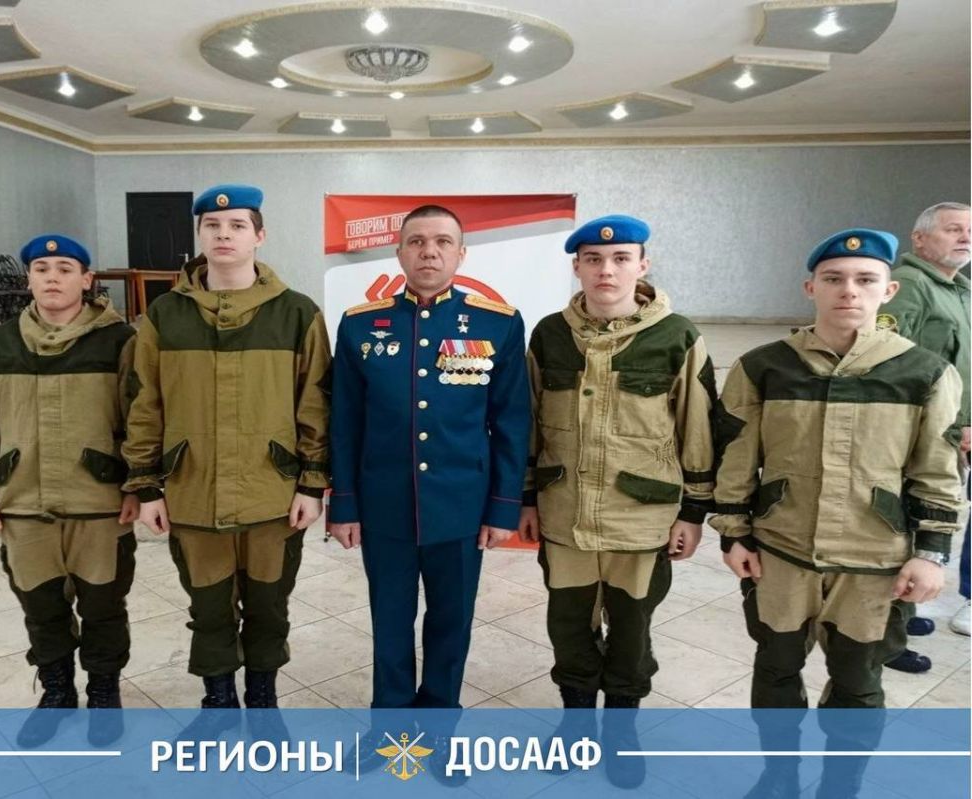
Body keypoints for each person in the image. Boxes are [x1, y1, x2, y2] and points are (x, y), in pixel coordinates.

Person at [711, 228, 964, 798]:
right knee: (775, 671)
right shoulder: (764, 367)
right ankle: (779, 777)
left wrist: (931, 554)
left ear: (889, 290)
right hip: (781, 555)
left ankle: (840, 785)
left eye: (865, 279)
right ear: (811, 288)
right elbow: (736, 457)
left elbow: (938, 469)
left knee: (857, 684)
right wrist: (733, 533)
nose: (849, 290)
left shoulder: (923, 373)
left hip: (873, 562)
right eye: (833, 279)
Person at [327, 204, 530, 784]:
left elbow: (511, 421)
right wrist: (345, 503)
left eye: (442, 241)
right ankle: (390, 730)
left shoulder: (497, 324)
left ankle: (439, 733)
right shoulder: (360, 325)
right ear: (399, 252)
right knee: (390, 623)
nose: (429, 252)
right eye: (416, 241)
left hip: (460, 507)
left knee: (450, 624)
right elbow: (346, 422)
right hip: (384, 505)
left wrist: (502, 507)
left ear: (461, 254)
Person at [121, 184, 330, 731]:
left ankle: (262, 703)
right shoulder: (164, 315)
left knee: (269, 606)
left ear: (259, 236)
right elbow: (144, 403)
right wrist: (146, 485)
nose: (224, 235)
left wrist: (311, 483)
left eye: (237, 225)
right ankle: (218, 704)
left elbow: (315, 404)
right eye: (212, 226)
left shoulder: (297, 313)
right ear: (200, 236)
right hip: (192, 491)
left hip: (271, 495)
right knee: (208, 608)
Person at [517, 214, 715, 788]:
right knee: (569, 625)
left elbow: (698, 428)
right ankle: (577, 724)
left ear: (642, 265)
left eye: (621, 258)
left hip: (642, 518)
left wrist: (693, 512)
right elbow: (528, 421)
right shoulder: (549, 334)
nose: (607, 269)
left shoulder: (676, 335)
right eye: (594, 260)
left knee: (632, 629)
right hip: (565, 513)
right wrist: (527, 498)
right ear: (577, 267)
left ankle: (622, 729)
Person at [0, 234, 139, 747]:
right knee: (41, 609)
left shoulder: (120, 342)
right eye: (42, 269)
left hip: (100, 504)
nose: (53, 278)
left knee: (104, 608)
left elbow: (140, 418)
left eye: (65, 269)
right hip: (23, 503)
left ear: (87, 279)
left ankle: (104, 691)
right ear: (29, 279)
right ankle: (57, 692)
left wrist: (137, 484)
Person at [878, 202, 971, 650]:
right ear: (919, 238)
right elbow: (888, 362)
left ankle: (903, 610)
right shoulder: (911, 287)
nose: (965, 238)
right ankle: (886, 630)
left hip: (953, 432)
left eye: (970, 231)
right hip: (919, 434)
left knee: (925, 524)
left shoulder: (959, 290)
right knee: (904, 524)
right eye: (953, 229)